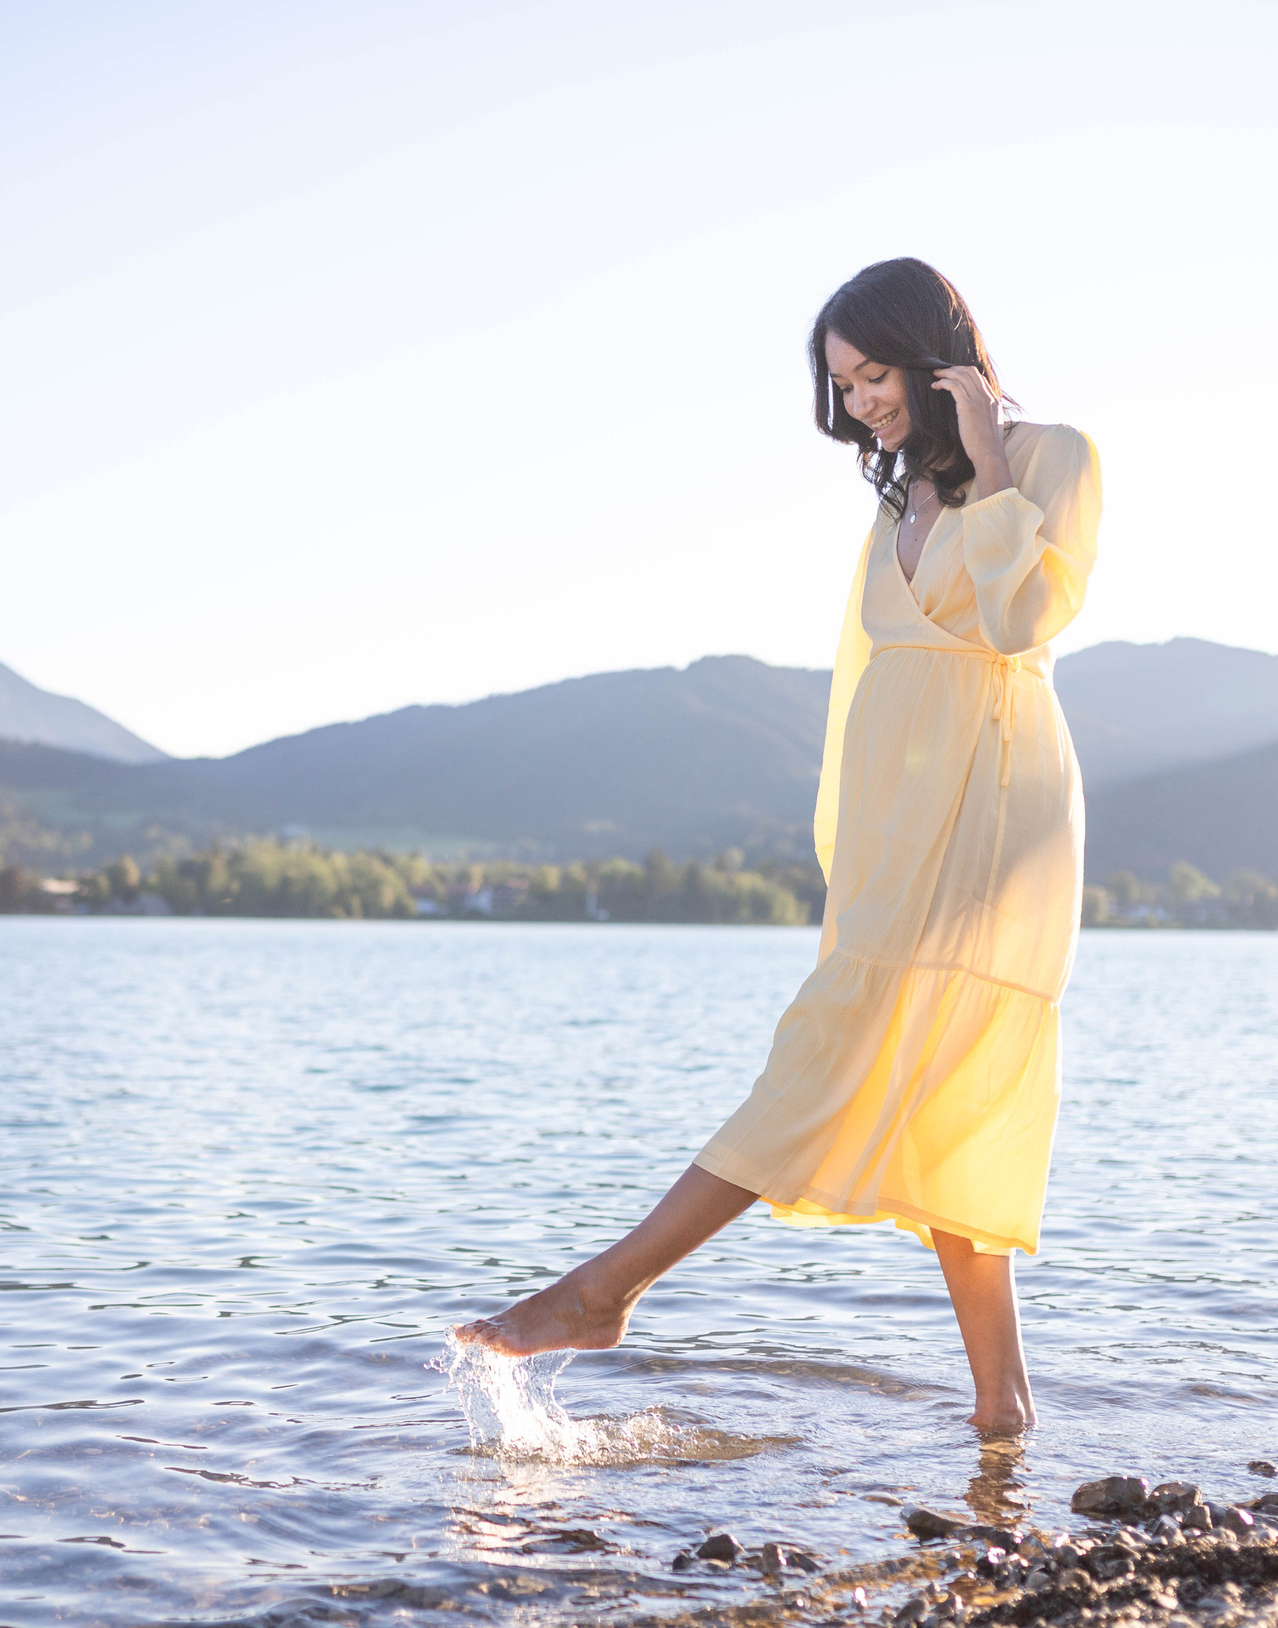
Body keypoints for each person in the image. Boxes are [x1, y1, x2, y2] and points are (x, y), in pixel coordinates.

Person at [454, 258, 1101, 1435]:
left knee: (832, 1048)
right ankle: (1002, 1410)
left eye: (874, 374)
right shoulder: (895, 490)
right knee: (936, 1083)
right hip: (901, 827)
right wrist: (853, 844)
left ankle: (606, 1290)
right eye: (842, 385)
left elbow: (1019, 623)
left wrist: (994, 465)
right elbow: (870, 678)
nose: (860, 402)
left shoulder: (1054, 456)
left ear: (932, 350)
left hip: (998, 813)